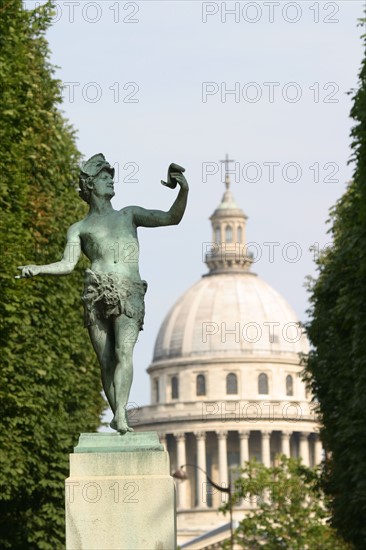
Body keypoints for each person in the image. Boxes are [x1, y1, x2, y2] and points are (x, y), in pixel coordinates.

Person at [17, 153, 189, 434]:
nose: (111, 182)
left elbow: (172, 217)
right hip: (95, 292)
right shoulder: (80, 228)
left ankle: (121, 415)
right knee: (106, 360)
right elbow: (67, 264)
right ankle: (117, 412)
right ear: (90, 185)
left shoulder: (129, 215)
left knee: (124, 352)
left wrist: (183, 190)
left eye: (111, 177)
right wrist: (37, 269)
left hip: (128, 291)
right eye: (104, 178)